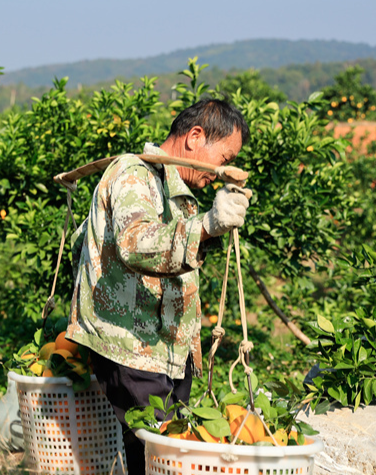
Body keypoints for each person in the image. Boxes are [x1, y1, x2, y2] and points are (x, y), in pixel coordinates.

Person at [65, 97, 251, 474]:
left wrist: (210, 230)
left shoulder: (173, 189)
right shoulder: (134, 174)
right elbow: (136, 243)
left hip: (165, 351)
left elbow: (172, 250)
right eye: (225, 158)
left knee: (160, 458)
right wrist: (207, 225)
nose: (222, 171)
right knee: (165, 458)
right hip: (131, 347)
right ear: (195, 137)